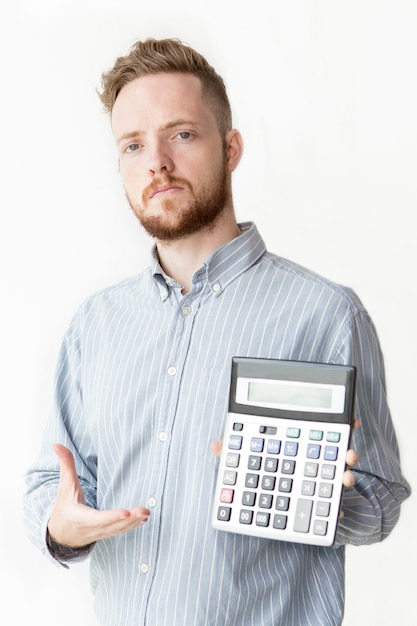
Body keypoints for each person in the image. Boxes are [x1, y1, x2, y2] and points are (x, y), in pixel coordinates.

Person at [23, 38, 410, 626]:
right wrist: (62, 528)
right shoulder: (95, 326)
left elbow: (380, 505)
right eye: (133, 145)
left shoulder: (327, 315)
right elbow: (50, 485)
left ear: (230, 149)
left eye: (181, 134)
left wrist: (311, 498)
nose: (156, 162)